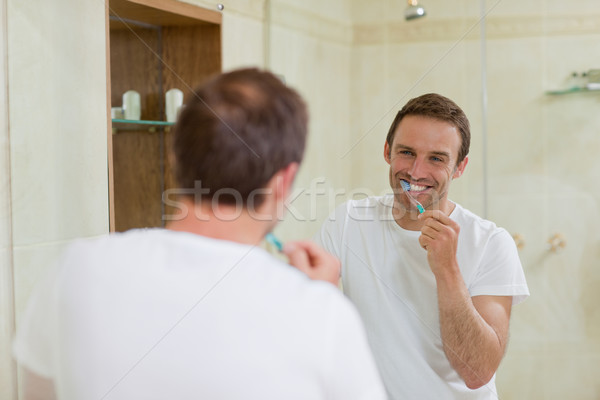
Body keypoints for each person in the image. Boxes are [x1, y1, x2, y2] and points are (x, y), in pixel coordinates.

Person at [13, 68, 387, 400]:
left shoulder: (77, 269)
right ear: (283, 180)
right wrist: (314, 300)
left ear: (177, 158)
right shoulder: (322, 315)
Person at [315, 93, 529, 399]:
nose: (416, 172)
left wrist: (447, 270)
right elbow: (310, 324)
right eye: (406, 152)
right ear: (387, 151)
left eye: (437, 158)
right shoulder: (347, 222)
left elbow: (477, 372)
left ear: (460, 167)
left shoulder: (492, 243)